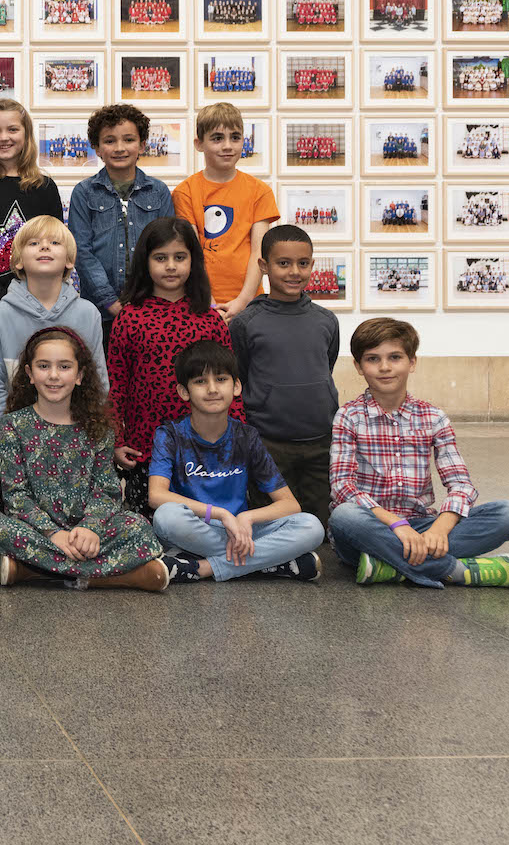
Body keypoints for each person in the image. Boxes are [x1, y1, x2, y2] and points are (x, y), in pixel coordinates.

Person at [329, 318, 509, 587]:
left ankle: (391, 565)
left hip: (422, 526)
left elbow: (461, 484)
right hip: (374, 527)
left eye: (395, 357)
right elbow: (342, 486)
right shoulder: (348, 416)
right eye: (372, 359)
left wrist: (441, 527)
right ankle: (456, 570)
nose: (385, 367)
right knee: (344, 516)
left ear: (412, 362)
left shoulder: (433, 417)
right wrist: (394, 524)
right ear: (358, 366)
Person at [0, 326, 169, 591]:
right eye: (44, 366)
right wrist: (53, 533)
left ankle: (34, 572)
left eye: (64, 367)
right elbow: (15, 495)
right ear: (30, 374)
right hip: (38, 530)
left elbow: (106, 490)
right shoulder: (13, 425)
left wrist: (90, 529)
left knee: (137, 527)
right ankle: (113, 576)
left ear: (79, 376)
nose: (54, 375)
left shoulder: (98, 427)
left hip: (89, 531)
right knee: (3, 532)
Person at [147, 341, 323, 583]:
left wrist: (247, 518)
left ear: (236, 386)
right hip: (198, 529)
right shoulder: (169, 434)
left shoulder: (246, 437)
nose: (212, 389)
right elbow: (157, 496)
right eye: (200, 381)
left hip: (241, 530)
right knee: (166, 517)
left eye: (221, 379)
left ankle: (204, 567)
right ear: (183, 392)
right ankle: (270, 563)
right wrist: (220, 514)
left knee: (312, 526)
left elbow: (289, 505)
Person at [0, 98, 64, 458]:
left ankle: (42, 461)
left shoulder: (44, 188)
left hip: (38, 304)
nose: (4, 137)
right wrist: (3, 299)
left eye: (12, 129)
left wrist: (31, 297)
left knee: (40, 380)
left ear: (26, 134)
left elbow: (56, 245)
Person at [106, 216, 237, 501]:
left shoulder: (211, 320)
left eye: (180, 257)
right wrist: (117, 440)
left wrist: (236, 439)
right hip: (147, 445)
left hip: (206, 446)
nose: (171, 266)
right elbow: (116, 385)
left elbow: (231, 385)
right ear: (145, 262)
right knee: (153, 529)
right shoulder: (129, 318)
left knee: (206, 524)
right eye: (160, 257)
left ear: (193, 261)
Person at [228, 224, 340, 525]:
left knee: (320, 523)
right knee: (272, 522)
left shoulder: (326, 321)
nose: (294, 272)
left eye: (303, 264)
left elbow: (325, 366)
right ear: (264, 266)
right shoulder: (246, 323)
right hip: (268, 443)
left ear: (312, 265)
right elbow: (240, 378)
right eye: (283, 263)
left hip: (320, 440)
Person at [0, 215, 108, 452]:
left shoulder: (88, 314)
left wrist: (86, 431)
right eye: (34, 243)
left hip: (77, 441)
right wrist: (11, 431)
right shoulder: (1, 314)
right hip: (18, 444)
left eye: (55, 243)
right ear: (17, 261)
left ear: (69, 261)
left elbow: (98, 380)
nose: (45, 246)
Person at [67, 103, 172, 327]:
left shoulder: (159, 192)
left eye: (129, 139)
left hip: (151, 308)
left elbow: (166, 249)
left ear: (142, 145)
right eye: (109, 141)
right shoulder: (84, 193)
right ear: (96, 148)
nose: (119, 147)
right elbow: (81, 252)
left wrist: (150, 300)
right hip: (99, 311)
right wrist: (111, 302)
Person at [173, 101, 279, 319]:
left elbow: (258, 252)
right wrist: (208, 302)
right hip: (198, 301)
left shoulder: (260, 191)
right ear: (199, 144)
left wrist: (243, 300)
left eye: (235, 137)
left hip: (250, 302)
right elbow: (190, 252)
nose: (228, 145)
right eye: (217, 138)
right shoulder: (185, 192)